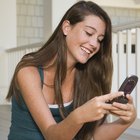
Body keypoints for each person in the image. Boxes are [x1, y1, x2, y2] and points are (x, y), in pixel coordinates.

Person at [6, 1, 136, 140]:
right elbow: (52, 136)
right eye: (88, 33)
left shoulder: (87, 77)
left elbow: (92, 136)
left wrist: (126, 121)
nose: (94, 44)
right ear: (67, 27)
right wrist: (81, 115)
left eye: (99, 39)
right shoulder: (29, 71)